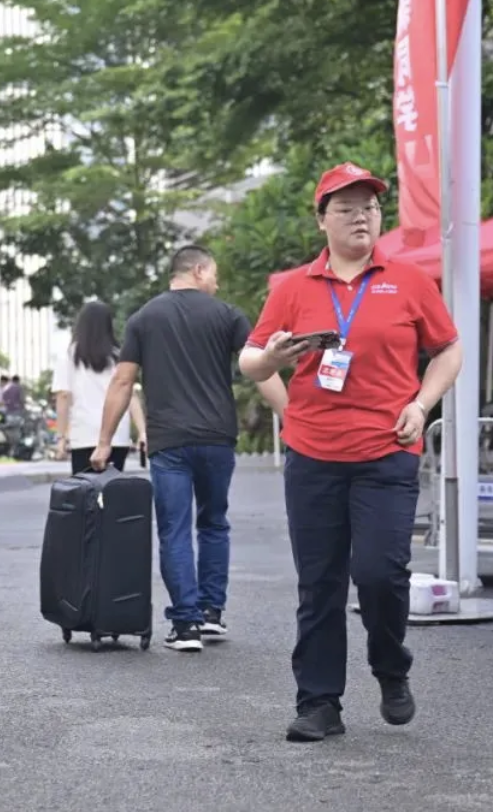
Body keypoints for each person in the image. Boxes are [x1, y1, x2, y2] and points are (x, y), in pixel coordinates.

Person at [239, 162, 462, 743]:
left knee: (380, 575)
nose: (361, 215)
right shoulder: (292, 288)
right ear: (322, 220)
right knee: (320, 583)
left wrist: (423, 403)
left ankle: (391, 668)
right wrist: (274, 363)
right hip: (312, 454)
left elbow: (448, 351)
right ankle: (318, 703)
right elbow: (250, 360)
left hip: (387, 451)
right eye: (347, 207)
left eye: (370, 206)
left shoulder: (409, 281)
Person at [93, 245, 288, 652]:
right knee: (214, 523)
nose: (216, 284)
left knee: (175, 531)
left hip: (169, 443)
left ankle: (186, 625)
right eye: (213, 274)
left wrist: (105, 442)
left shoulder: (144, 318)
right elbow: (261, 370)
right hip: (218, 438)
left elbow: (123, 382)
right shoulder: (228, 315)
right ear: (198, 270)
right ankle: (211, 612)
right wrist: (291, 417)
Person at [52, 301, 147, 475]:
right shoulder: (118, 357)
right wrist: (142, 432)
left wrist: (61, 438)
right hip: (117, 436)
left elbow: (63, 397)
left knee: (84, 493)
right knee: (111, 493)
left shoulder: (67, 358)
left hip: (84, 435)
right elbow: (130, 395)